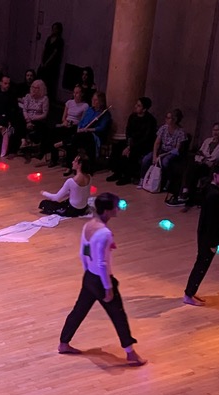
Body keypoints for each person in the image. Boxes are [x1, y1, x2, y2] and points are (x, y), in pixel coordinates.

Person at [58, 192, 146, 366]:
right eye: (115, 206)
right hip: (101, 280)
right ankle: (130, 353)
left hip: (89, 277)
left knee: (79, 311)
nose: (117, 210)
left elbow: (83, 252)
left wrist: (87, 273)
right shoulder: (105, 233)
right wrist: (108, 287)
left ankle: (63, 343)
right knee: (118, 315)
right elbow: (103, 263)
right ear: (107, 210)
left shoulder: (88, 225)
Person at [184, 163, 219, 306]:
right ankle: (189, 294)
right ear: (215, 176)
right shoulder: (214, 195)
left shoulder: (211, 190)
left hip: (206, 234)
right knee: (201, 266)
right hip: (208, 237)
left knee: (201, 264)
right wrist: (213, 243)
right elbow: (212, 221)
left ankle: (191, 292)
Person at [168, 121, 219, 207]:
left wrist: (216, 162)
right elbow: (199, 154)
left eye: (218, 130)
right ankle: (184, 193)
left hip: (216, 166)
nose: (215, 132)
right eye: (214, 130)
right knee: (190, 165)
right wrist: (204, 161)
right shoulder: (207, 140)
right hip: (203, 164)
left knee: (200, 168)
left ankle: (192, 195)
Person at [106, 97, 156, 186]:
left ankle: (127, 176)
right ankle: (117, 172)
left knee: (133, 152)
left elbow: (146, 138)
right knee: (117, 146)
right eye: (136, 104)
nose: (136, 106)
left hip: (143, 144)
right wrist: (129, 143)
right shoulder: (132, 116)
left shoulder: (150, 120)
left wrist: (130, 147)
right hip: (131, 141)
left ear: (144, 109)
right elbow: (128, 130)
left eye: (139, 105)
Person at [139, 109, 187, 190]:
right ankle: (142, 179)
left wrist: (162, 155)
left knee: (165, 162)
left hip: (171, 153)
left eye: (169, 118)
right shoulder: (163, 128)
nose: (166, 120)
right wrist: (155, 155)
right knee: (146, 159)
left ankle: (167, 181)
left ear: (175, 119)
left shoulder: (180, 132)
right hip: (162, 150)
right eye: (166, 117)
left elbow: (177, 149)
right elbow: (157, 143)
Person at [61, 91, 109, 170]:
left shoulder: (105, 114)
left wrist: (88, 129)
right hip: (83, 133)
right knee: (74, 140)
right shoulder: (89, 110)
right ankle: (71, 164)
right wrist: (79, 128)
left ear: (101, 102)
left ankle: (66, 145)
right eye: (93, 99)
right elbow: (82, 121)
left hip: (94, 135)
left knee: (76, 139)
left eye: (96, 100)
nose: (93, 101)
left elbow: (101, 128)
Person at [46, 85, 88, 165]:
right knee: (53, 131)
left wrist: (72, 124)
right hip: (66, 124)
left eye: (77, 93)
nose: (75, 94)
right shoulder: (69, 102)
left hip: (75, 126)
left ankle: (69, 161)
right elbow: (63, 117)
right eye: (74, 92)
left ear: (82, 94)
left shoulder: (84, 106)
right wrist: (65, 122)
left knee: (70, 135)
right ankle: (54, 158)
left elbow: (82, 121)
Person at [18, 79, 51, 156]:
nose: (34, 89)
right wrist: (28, 120)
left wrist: (32, 119)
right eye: (33, 87)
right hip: (27, 118)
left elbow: (44, 114)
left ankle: (28, 142)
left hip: (38, 119)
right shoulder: (28, 96)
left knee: (38, 125)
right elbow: (25, 110)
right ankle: (23, 141)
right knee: (19, 121)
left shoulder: (45, 99)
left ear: (41, 89)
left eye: (36, 88)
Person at [38, 22, 64, 99]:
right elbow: (44, 49)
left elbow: (55, 53)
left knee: (49, 81)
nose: (53, 30)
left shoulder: (60, 40)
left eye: (55, 29)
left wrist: (47, 62)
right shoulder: (49, 38)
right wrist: (42, 61)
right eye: (53, 29)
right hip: (45, 60)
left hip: (52, 64)